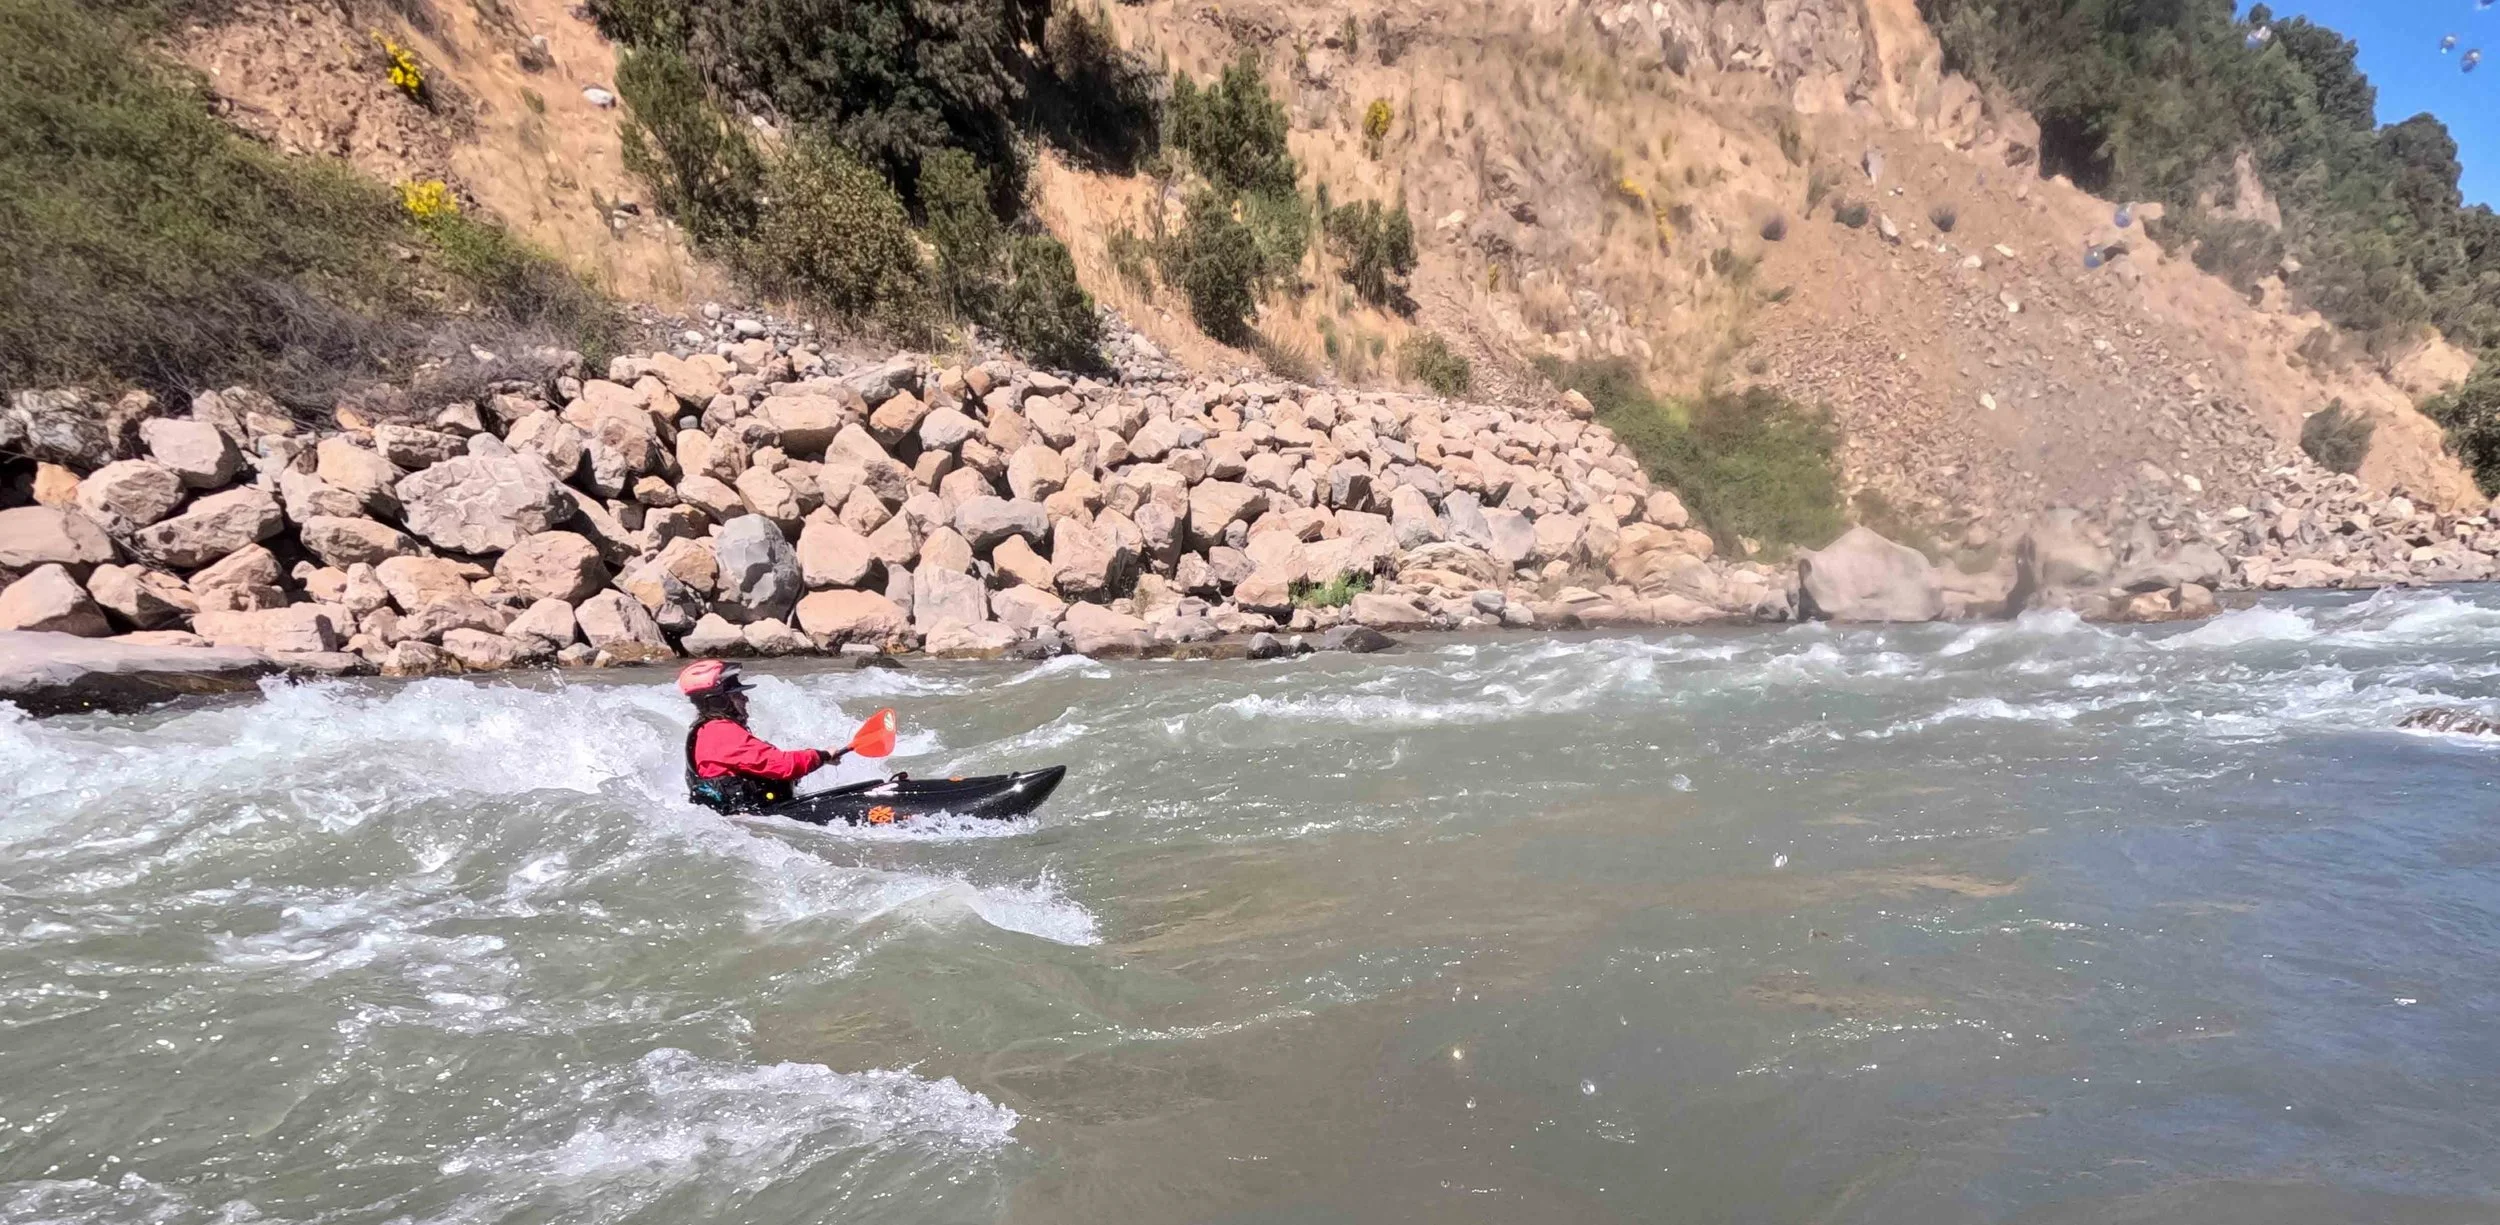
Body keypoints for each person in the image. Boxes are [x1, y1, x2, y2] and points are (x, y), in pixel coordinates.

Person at [678, 659, 848, 813]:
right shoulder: (720, 732)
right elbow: (781, 765)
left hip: (746, 817)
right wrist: (821, 755)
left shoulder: (706, 731)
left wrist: (819, 759)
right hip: (748, 818)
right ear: (717, 701)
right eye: (736, 694)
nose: (745, 699)